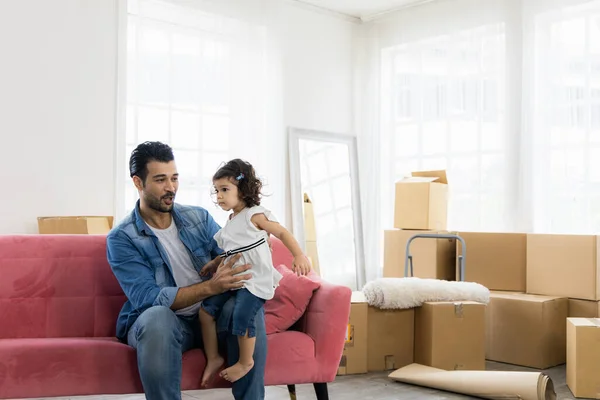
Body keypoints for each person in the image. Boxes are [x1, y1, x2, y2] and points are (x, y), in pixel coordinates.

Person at [106, 141, 267, 400]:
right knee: (156, 317)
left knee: (246, 304)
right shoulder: (122, 238)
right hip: (169, 325)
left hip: (211, 317)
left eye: (174, 178)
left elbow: (234, 255)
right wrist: (210, 287)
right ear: (138, 183)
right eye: (160, 180)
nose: (171, 188)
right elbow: (148, 299)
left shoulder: (198, 218)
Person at [198, 159, 311, 387]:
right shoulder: (231, 221)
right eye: (217, 191)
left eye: (225, 190)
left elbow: (281, 232)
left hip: (253, 280)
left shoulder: (255, 215)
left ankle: (246, 361)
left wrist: (298, 255)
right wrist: (215, 263)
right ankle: (213, 357)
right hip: (236, 281)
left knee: (242, 316)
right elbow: (234, 250)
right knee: (205, 311)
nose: (219, 196)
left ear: (244, 189)